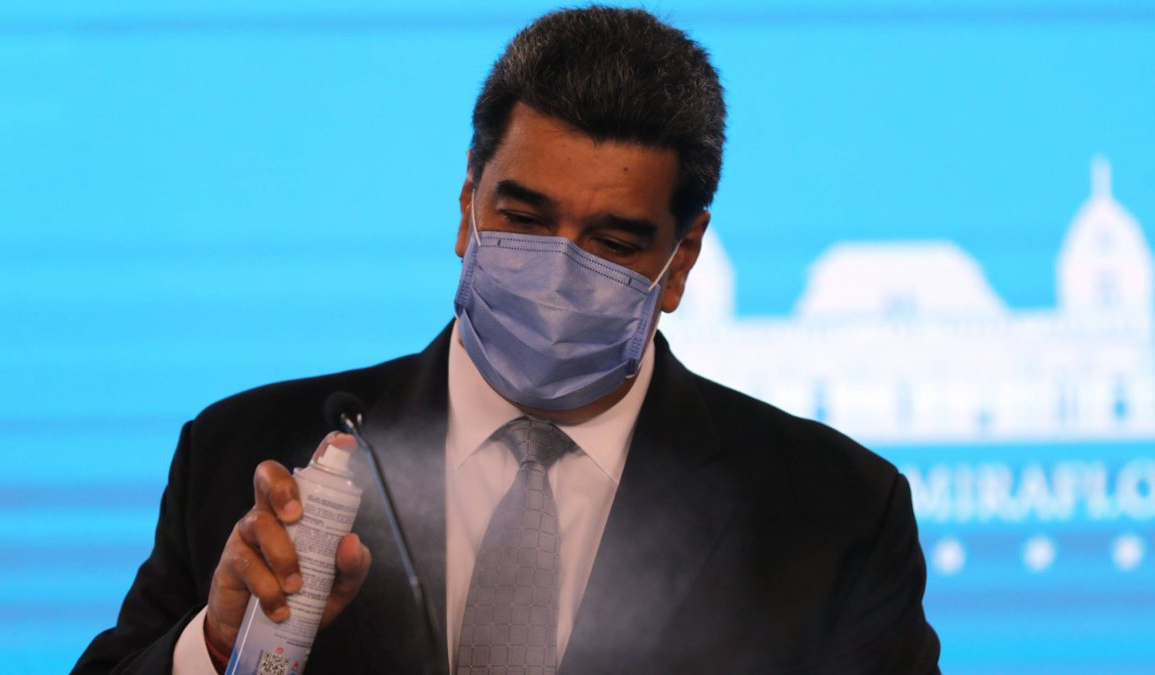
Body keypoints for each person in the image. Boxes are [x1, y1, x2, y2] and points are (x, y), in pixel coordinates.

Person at [73, 6, 941, 675]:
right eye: (523, 220)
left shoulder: (832, 512)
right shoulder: (245, 453)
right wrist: (215, 646)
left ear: (680, 263)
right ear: (467, 206)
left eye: (611, 242)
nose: (557, 273)